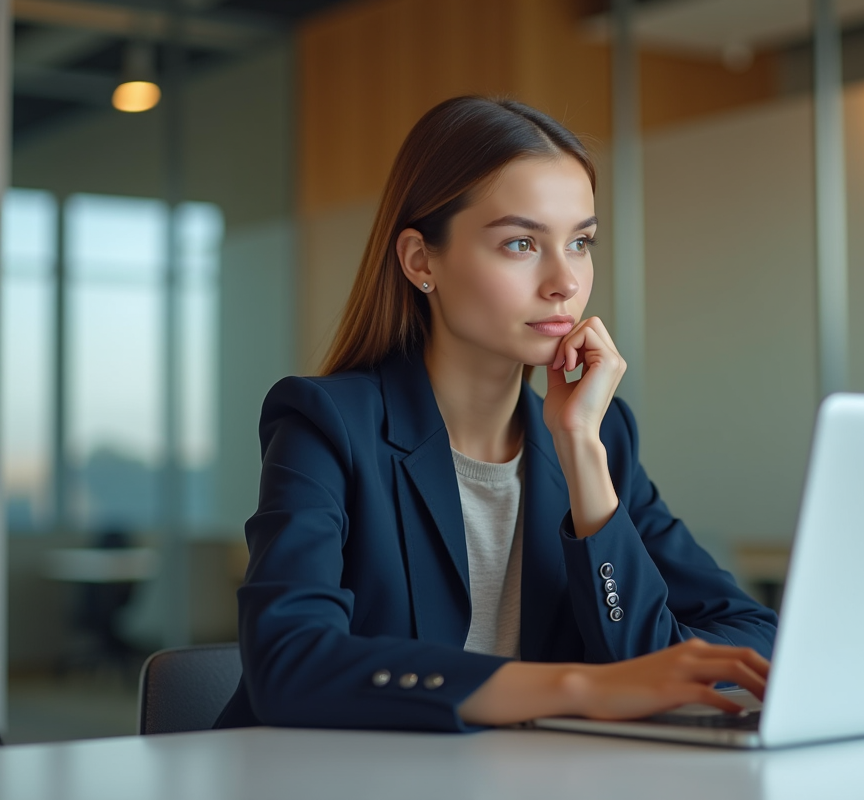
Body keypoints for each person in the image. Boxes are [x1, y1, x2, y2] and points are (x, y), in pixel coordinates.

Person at [216, 96, 777, 732]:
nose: (564, 280)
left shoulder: (601, 435)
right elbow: (289, 664)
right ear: (421, 261)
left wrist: (582, 456)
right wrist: (576, 687)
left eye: (581, 242)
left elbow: (735, 644)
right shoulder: (328, 423)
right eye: (520, 242)